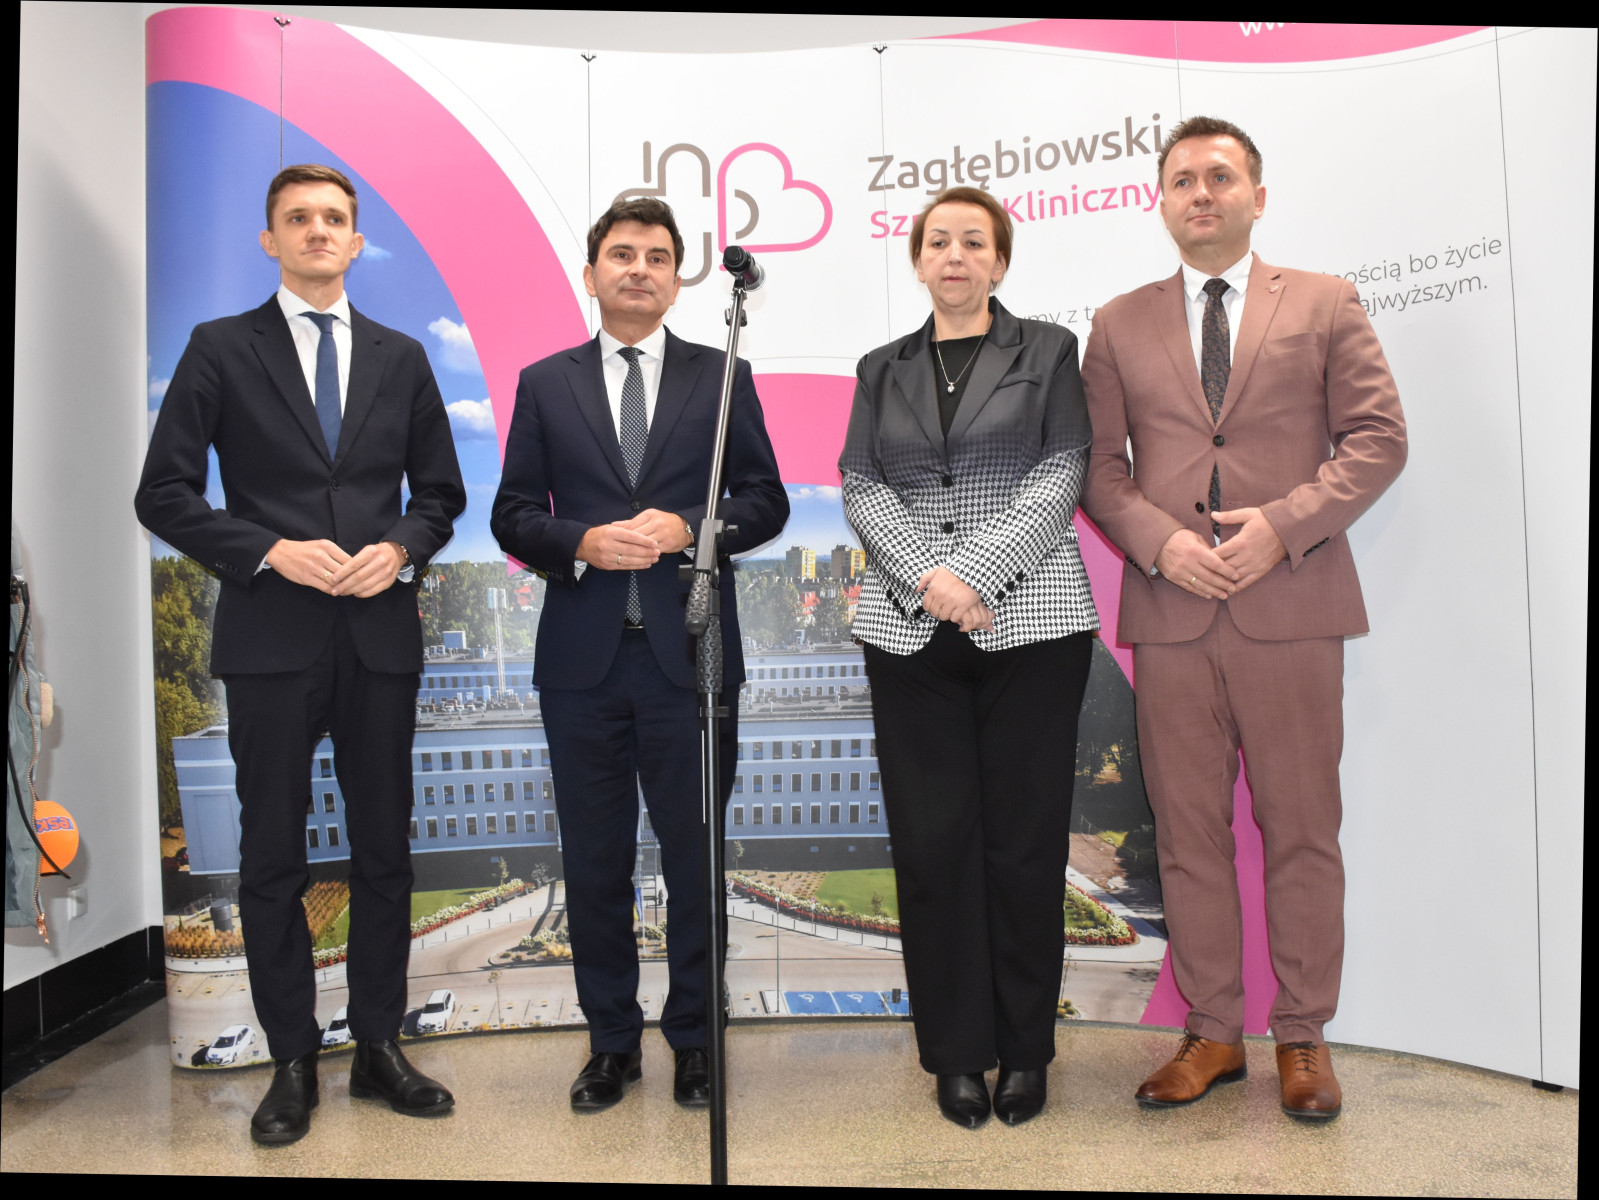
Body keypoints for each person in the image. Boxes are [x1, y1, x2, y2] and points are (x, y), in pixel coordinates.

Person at [1080, 116, 1407, 1120]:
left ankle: (1302, 1034)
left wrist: (1281, 528)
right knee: (1187, 838)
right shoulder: (1117, 323)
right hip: (1171, 615)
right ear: (1161, 202)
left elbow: (1377, 438)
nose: (1201, 192)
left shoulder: (1323, 300)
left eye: (1220, 177)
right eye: (1182, 179)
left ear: (1256, 197)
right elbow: (1098, 470)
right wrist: (1159, 544)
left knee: (1301, 830)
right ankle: (1213, 1031)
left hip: (1292, 607)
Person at [136, 165, 466, 1144]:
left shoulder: (404, 357)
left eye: (334, 218)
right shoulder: (219, 347)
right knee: (273, 857)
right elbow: (164, 494)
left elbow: (440, 496)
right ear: (270, 239)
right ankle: (291, 1061)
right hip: (270, 638)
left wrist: (400, 550)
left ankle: (377, 1049)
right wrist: (269, 549)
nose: (318, 231)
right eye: (298, 218)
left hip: (377, 637)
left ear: (355, 242)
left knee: (385, 854)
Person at [490, 198, 788, 1112]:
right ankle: (610, 1044)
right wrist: (579, 540)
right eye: (622, 254)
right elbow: (513, 514)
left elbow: (765, 500)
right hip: (581, 666)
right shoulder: (545, 383)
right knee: (594, 865)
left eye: (657, 256)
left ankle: (695, 1041)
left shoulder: (722, 375)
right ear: (591, 274)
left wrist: (691, 527)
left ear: (676, 278)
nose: (639, 269)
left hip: (691, 659)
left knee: (695, 863)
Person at [839, 186, 1098, 1128]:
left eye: (973, 242)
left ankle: (1024, 1053)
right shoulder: (881, 368)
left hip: (1032, 626)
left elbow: (1062, 466)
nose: (954, 255)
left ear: (999, 260)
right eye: (938, 241)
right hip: (910, 636)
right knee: (932, 848)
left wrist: (977, 573)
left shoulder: (1048, 351)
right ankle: (954, 1056)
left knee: (1023, 847)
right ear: (917, 259)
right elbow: (860, 481)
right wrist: (928, 580)